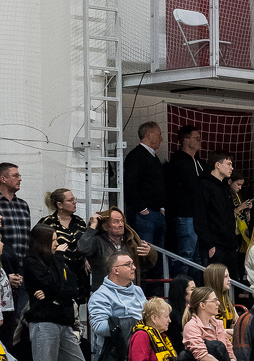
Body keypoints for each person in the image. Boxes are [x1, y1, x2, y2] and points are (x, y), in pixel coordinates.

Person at [23, 224, 92, 361]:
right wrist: (58, 261)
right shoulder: (31, 262)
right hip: (44, 324)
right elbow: (52, 284)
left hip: (65, 323)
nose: (57, 244)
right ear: (42, 242)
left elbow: (72, 288)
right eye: (53, 240)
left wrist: (50, 292)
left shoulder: (57, 261)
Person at [88, 252, 146, 361]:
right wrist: (131, 324)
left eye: (133, 264)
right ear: (115, 270)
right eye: (128, 264)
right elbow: (98, 326)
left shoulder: (138, 290)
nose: (134, 267)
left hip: (143, 347)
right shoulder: (100, 296)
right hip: (115, 355)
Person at [77, 207, 155, 292]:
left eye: (122, 221)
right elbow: (82, 248)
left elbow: (146, 265)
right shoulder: (98, 242)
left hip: (129, 293)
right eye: (116, 222)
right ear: (105, 227)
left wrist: (149, 253)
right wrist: (92, 226)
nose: (121, 224)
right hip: (105, 294)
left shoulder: (130, 242)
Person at [181, 286, 241, 361]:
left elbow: (228, 348)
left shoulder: (218, 324)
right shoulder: (191, 327)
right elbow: (202, 356)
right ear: (202, 305)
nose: (218, 303)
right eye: (214, 300)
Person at [129, 297, 185, 361]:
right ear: (154, 318)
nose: (170, 320)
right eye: (166, 316)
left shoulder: (162, 337)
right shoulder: (141, 335)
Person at [196, 153, 242, 279]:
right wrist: (209, 243)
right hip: (215, 245)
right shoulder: (204, 185)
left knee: (231, 281)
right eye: (229, 164)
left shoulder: (225, 187)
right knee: (216, 281)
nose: (232, 168)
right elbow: (200, 216)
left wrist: (233, 242)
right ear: (217, 165)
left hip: (229, 245)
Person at [123, 121, 166, 250]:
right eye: (159, 134)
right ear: (148, 134)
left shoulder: (153, 157)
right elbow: (130, 185)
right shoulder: (136, 156)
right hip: (144, 215)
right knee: (144, 253)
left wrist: (162, 208)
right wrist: (142, 209)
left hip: (156, 213)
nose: (161, 139)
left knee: (157, 253)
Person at [165, 125, 205, 264]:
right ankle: (182, 279)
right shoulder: (178, 162)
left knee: (198, 256)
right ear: (186, 140)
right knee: (186, 254)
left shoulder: (200, 163)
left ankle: (195, 279)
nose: (200, 141)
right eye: (196, 138)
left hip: (199, 215)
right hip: (185, 214)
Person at [0, 163, 31, 276]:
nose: (20, 179)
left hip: (22, 267)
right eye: (15, 176)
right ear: (3, 179)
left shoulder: (23, 205)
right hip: (0, 266)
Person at [38, 188, 90, 257]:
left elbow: (86, 244)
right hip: (56, 262)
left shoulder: (79, 221)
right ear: (60, 205)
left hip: (79, 263)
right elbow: (38, 246)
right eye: (70, 200)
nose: (74, 202)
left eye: (74, 199)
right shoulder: (47, 222)